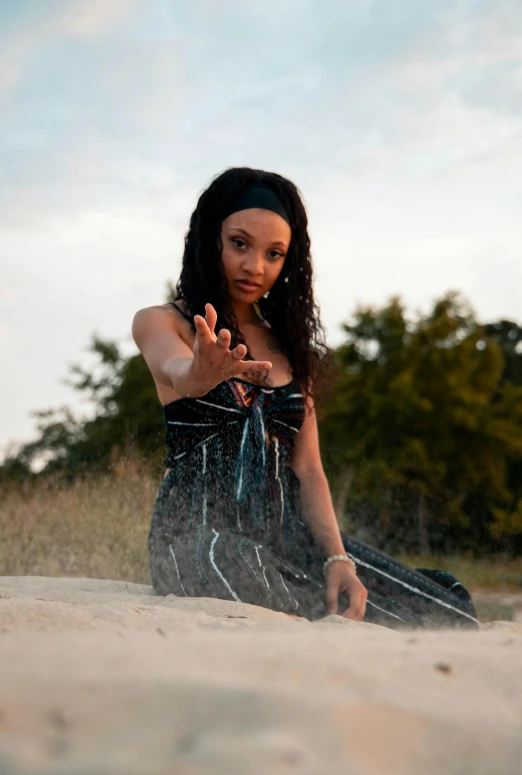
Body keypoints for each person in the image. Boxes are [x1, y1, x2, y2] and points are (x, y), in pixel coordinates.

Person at [132, 167, 479, 629]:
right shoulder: (164, 323)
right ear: (208, 238)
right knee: (226, 559)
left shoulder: (289, 347)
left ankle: (317, 597)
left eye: (274, 253)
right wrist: (201, 370)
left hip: (288, 539)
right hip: (199, 539)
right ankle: (315, 615)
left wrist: (337, 557)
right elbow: (178, 374)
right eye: (239, 243)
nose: (256, 266)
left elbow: (308, 467)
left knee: (447, 610)